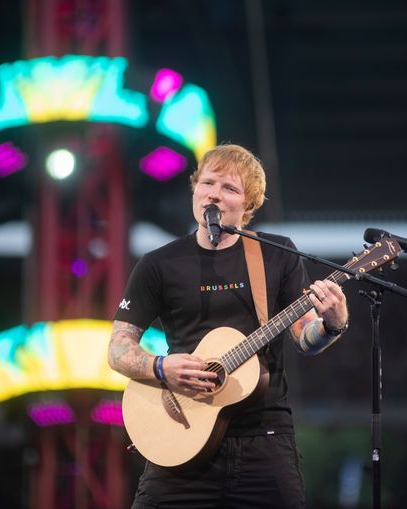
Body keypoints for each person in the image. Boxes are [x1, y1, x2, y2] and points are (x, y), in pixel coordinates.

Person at [108, 144, 349, 508]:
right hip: (180, 435)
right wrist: (161, 366)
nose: (214, 194)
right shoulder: (157, 264)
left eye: (229, 188)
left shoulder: (277, 253)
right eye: (207, 183)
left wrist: (332, 324)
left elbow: (304, 338)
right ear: (194, 190)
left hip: (263, 443)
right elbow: (117, 349)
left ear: (248, 205)